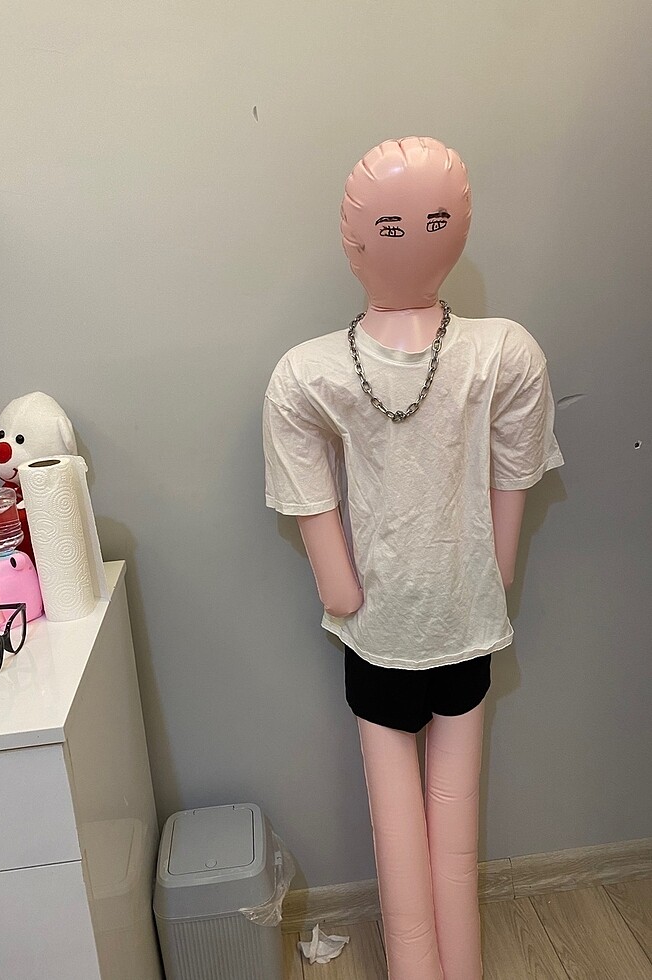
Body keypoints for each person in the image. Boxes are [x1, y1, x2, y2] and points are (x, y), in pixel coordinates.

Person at [263, 136, 564, 979]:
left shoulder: (322, 369)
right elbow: (509, 497)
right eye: (396, 223)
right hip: (429, 622)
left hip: (412, 624)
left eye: (433, 220)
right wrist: (491, 570)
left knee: (414, 823)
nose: (415, 237)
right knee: (435, 824)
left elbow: (510, 469)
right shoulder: (325, 369)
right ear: (358, 240)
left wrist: (342, 588)